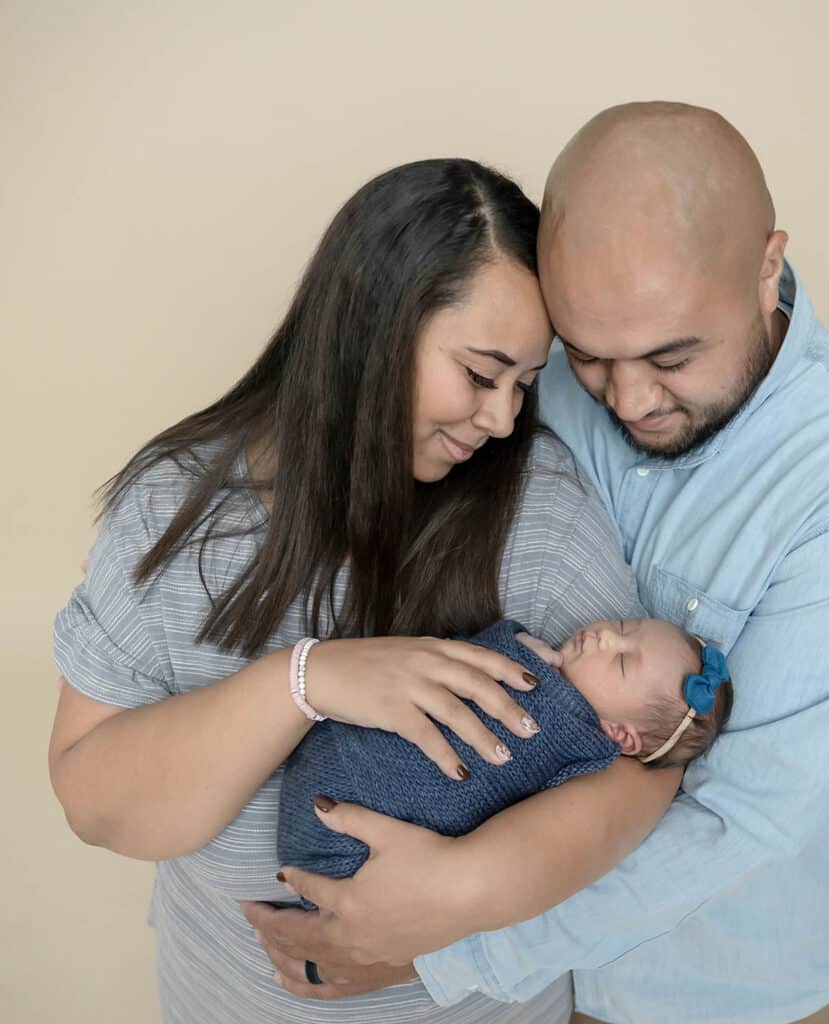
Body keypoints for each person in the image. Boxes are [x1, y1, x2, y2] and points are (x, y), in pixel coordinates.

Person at [249, 105, 829, 1024]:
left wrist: (443, 939)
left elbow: (729, 816)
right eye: (586, 358)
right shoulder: (532, 386)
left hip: (739, 992)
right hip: (551, 995)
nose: (627, 398)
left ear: (767, 268)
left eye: (672, 356)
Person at [48, 158, 686, 1024]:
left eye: (526, 385)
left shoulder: (538, 516)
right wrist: (304, 682)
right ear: (369, 327)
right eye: (479, 373)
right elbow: (94, 803)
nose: (502, 420)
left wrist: (455, 910)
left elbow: (644, 776)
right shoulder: (177, 509)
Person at [278, 617, 732, 887]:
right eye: (623, 627)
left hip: (356, 842)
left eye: (621, 660)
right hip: (335, 756)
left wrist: (516, 650)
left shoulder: (582, 762)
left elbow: (525, 822)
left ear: (621, 736)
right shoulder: (545, 673)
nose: (604, 637)